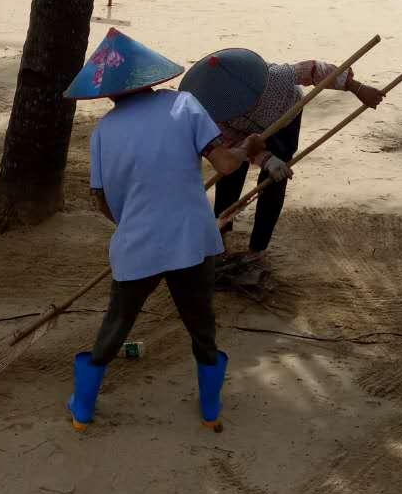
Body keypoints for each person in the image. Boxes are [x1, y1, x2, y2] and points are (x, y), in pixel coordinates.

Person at [64, 28, 268, 433]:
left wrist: (130, 221)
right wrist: (249, 148)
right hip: (191, 239)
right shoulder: (184, 104)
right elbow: (226, 166)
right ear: (149, 74)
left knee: (116, 325)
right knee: (201, 326)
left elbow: (99, 198)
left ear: (107, 90)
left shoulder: (104, 131)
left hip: (136, 244)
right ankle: (210, 411)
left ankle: (83, 410)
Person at [179, 48, 385, 264]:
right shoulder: (215, 113)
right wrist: (264, 158)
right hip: (242, 135)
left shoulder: (276, 79)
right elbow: (231, 144)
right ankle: (220, 234)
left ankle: (258, 247)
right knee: (229, 173)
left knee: (274, 179)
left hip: (286, 119)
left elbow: (316, 70)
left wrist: (357, 88)